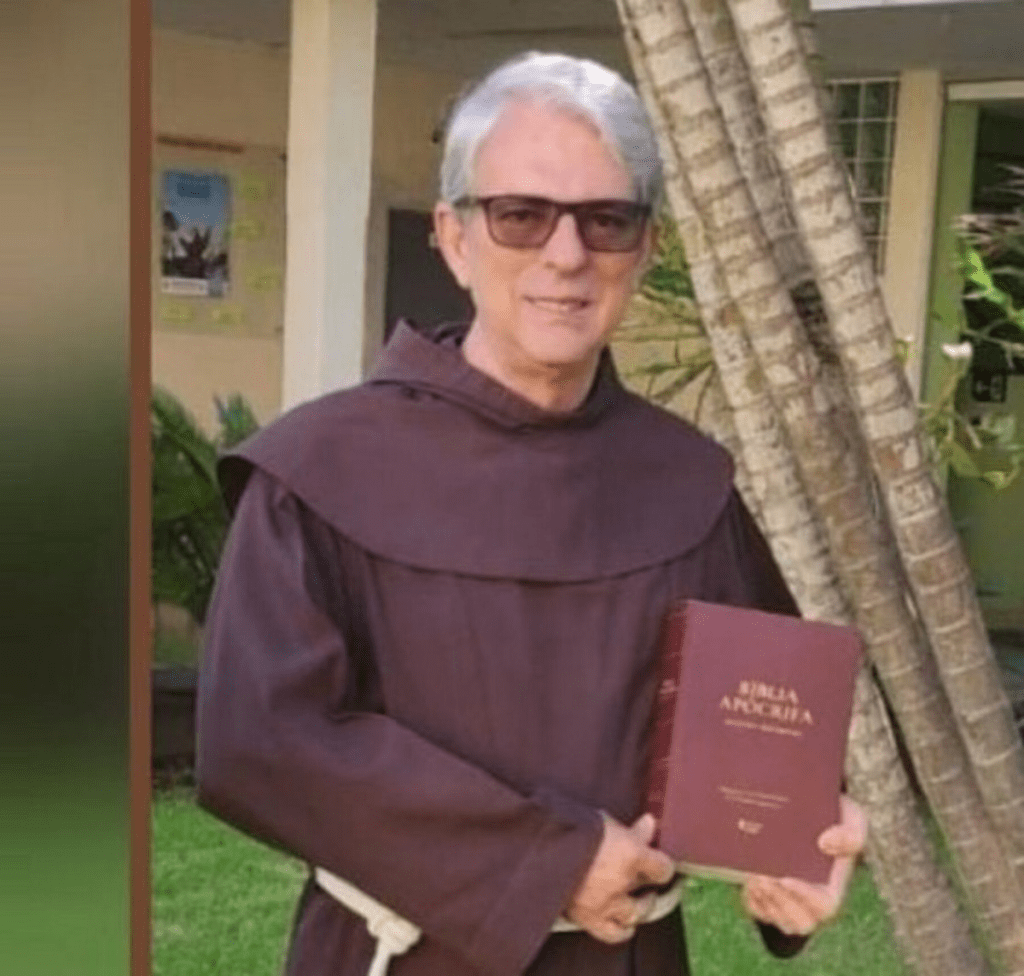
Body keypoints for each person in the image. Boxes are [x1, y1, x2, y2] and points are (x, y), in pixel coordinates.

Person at [196, 51, 866, 976]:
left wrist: (802, 841)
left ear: (646, 248)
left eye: (606, 220)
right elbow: (261, 742)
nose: (566, 255)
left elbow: (764, 730)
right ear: (454, 236)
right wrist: (547, 860)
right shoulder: (319, 468)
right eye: (521, 215)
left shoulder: (687, 482)